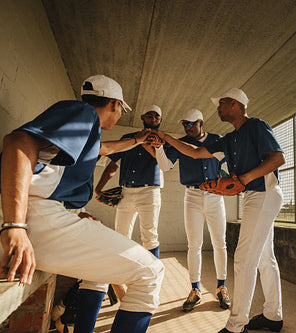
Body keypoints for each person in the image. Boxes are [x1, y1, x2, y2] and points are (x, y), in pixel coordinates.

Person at [0, 74, 164, 333]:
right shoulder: (84, 112)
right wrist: (14, 226)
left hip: (41, 214)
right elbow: (17, 142)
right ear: (114, 104)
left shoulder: (86, 128)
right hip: (29, 215)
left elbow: (105, 149)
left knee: (100, 273)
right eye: (121, 108)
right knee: (151, 272)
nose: (120, 114)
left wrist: (139, 139)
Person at [153, 88, 285, 333]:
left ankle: (236, 325)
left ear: (235, 104)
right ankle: (273, 316)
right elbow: (193, 152)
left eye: (221, 103)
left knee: (244, 259)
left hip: (264, 193)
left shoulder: (256, 126)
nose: (218, 107)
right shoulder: (229, 138)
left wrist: (243, 179)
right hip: (253, 195)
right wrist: (165, 137)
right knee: (265, 258)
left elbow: (277, 159)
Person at [155, 108, 231, 312]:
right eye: (184, 124)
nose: (187, 128)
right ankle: (195, 290)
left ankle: (221, 287)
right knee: (194, 244)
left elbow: (228, 164)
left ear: (201, 123)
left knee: (219, 243)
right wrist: (158, 148)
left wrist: (223, 181)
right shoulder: (178, 143)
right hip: (192, 196)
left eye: (191, 124)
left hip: (216, 196)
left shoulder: (217, 139)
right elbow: (164, 166)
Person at [94, 104, 165, 258]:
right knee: (121, 235)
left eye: (156, 116)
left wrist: (148, 143)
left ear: (160, 120)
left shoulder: (163, 141)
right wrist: (98, 188)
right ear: (142, 117)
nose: (153, 119)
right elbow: (113, 165)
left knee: (150, 236)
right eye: (149, 115)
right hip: (126, 192)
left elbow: (165, 163)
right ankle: (120, 276)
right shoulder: (128, 138)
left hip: (150, 192)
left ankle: (152, 275)